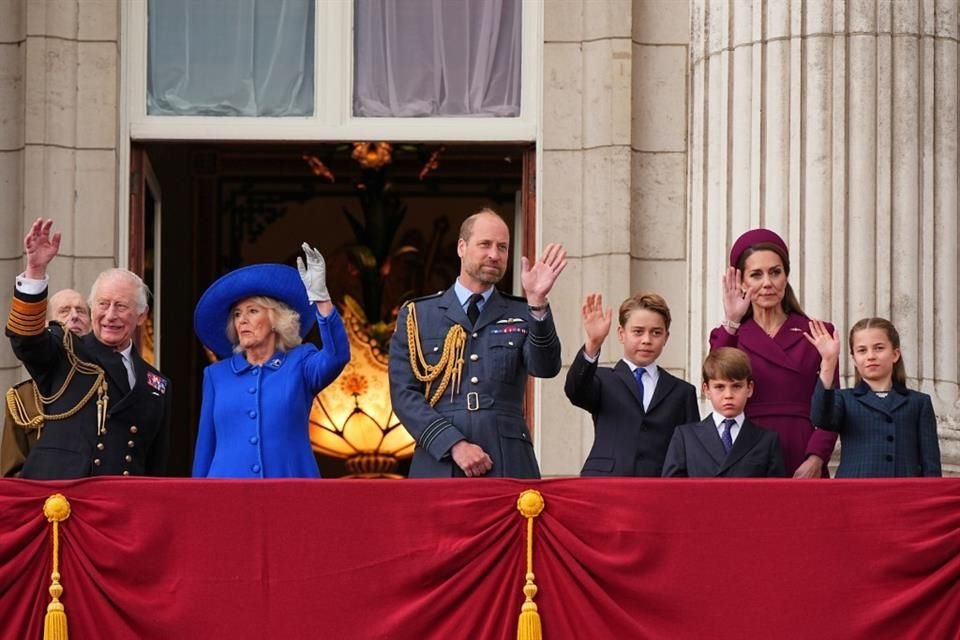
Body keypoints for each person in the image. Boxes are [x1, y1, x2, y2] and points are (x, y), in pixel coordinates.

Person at [388, 208, 565, 478]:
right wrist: (453, 444)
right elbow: (404, 395)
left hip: (507, 458)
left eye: (503, 247)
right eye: (485, 244)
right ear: (462, 247)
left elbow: (545, 368)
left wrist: (538, 303)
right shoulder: (418, 315)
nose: (494, 255)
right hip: (440, 459)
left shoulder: (522, 311)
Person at [5, 218, 171, 479]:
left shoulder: (157, 384)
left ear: (141, 316)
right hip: (64, 501)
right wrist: (35, 271)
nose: (110, 315)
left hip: (123, 505)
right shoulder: (66, 352)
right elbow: (26, 341)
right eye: (103, 304)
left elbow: (155, 466)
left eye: (121, 306)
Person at [191, 244, 350, 478]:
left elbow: (337, 356)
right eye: (237, 314)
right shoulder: (216, 375)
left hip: (290, 492)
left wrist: (322, 302)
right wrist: (197, 502)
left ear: (276, 319)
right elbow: (205, 447)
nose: (242, 320)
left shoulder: (300, 363)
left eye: (253, 311)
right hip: (227, 496)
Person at [710, 228, 838, 478]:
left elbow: (831, 406)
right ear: (742, 282)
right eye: (756, 275)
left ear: (786, 277)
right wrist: (732, 319)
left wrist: (817, 458)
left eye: (775, 272)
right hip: (746, 446)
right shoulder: (729, 334)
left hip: (801, 446)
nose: (767, 283)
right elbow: (716, 379)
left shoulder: (818, 332)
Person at [565, 292, 699, 476]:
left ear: (666, 337)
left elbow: (690, 451)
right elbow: (575, 391)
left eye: (656, 333)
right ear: (621, 334)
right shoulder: (602, 379)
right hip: (606, 484)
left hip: (659, 490)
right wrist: (593, 344)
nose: (646, 340)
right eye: (638, 331)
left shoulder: (682, 391)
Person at [806, 317, 941, 477]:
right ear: (854, 359)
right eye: (862, 350)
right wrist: (829, 361)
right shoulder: (845, 399)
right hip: (855, 495)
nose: (871, 356)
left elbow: (930, 464)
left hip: (905, 495)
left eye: (879, 348)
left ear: (895, 354)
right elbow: (820, 418)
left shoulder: (918, 402)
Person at [2, 288, 92, 477]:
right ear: (44, 325)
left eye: (81, 310)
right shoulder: (22, 398)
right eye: (64, 311)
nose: (74, 316)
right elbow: (11, 472)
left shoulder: (107, 386)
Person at [662, 347, 785, 477]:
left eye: (736, 386)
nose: (728, 395)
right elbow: (672, 490)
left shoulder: (766, 440)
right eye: (720, 387)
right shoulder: (685, 437)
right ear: (706, 390)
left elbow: (774, 493)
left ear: (749, 388)